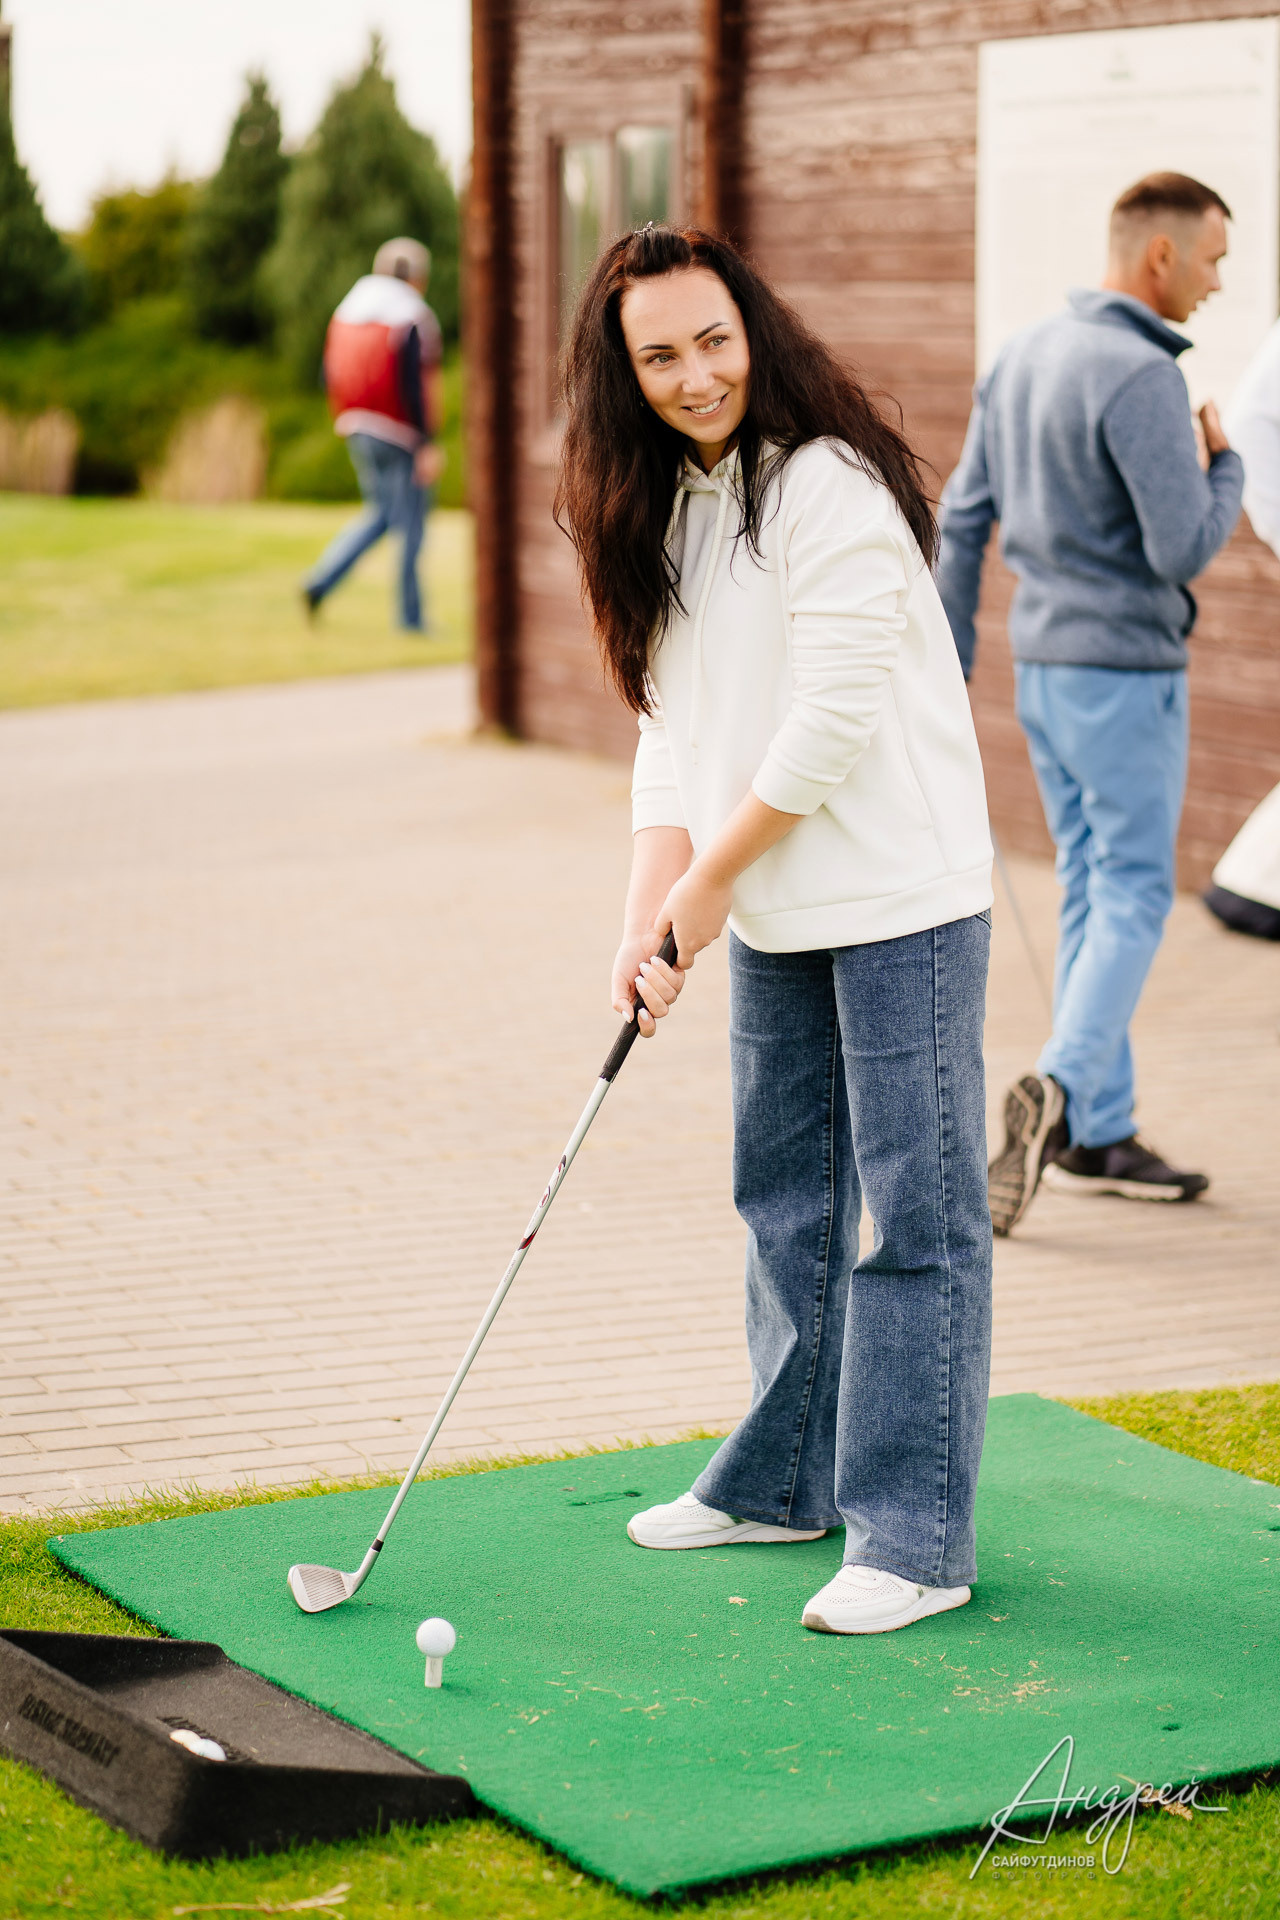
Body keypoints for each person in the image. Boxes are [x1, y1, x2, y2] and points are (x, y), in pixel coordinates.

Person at [556, 225, 994, 1637]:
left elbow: (831, 723)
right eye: (661, 355)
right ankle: (781, 1481)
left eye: (715, 340)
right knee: (786, 1200)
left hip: (901, 898)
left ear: (757, 330)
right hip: (776, 908)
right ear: (623, 374)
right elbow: (671, 735)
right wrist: (648, 912)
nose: (697, 375)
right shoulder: (665, 507)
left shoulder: (827, 487)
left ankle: (917, 1541)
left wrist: (708, 890)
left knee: (915, 1220)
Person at [936, 173, 1244, 1234]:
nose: (1216, 281)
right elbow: (1180, 547)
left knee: (1088, 891)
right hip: (1125, 679)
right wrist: (1227, 463)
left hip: (1041, 677)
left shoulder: (1020, 356)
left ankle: (1095, 1132)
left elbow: (960, 515)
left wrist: (942, 654)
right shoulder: (1141, 375)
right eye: (1211, 258)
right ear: (1155, 255)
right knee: (1133, 896)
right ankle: (1059, 1085)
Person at [302, 237, 445, 631]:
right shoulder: (411, 313)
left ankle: (320, 581)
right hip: (399, 432)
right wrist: (427, 442)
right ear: (416, 277)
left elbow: (326, 373)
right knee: (412, 523)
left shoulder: (349, 307)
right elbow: (415, 385)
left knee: (380, 515)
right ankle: (411, 619)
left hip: (356, 425)